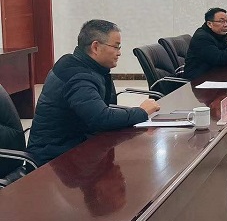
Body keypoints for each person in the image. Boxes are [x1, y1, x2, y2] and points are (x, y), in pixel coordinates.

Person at [27, 20, 159, 166]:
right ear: (95, 47)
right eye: (116, 47)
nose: (119, 53)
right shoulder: (77, 77)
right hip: (54, 160)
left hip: (75, 149)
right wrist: (141, 112)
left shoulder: (83, 66)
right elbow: (101, 118)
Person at [183, 8, 227, 80]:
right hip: (198, 80)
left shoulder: (216, 35)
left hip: (214, 76)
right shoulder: (202, 37)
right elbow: (220, 59)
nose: (226, 25)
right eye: (221, 21)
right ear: (209, 24)